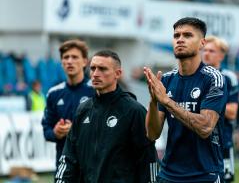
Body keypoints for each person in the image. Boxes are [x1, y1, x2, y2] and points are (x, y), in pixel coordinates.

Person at [144, 17, 227, 182]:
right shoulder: (166, 80)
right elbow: (152, 134)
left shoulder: (213, 78)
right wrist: (153, 102)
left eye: (188, 35)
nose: (180, 39)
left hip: (205, 174)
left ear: (202, 43)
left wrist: (167, 101)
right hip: (169, 174)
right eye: (176, 36)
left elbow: (205, 127)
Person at [55, 50, 158, 183]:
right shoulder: (83, 110)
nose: (96, 74)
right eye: (93, 68)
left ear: (118, 74)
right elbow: (69, 157)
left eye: (102, 69)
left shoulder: (134, 111)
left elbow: (148, 160)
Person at [41, 39, 95, 169]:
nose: (69, 61)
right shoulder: (54, 93)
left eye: (75, 57)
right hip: (64, 165)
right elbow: (46, 129)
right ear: (61, 63)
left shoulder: (96, 90)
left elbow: (105, 129)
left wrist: (75, 130)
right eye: (66, 57)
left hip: (91, 165)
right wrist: (55, 132)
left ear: (84, 62)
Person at [202, 36, 239, 183]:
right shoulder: (197, 76)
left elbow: (232, 112)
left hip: (223, 142)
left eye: (211, 50)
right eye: (204, 50)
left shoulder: (228, 77)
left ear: (221, 55)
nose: (206, 53)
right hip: (201, 143)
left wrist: (208, 104)